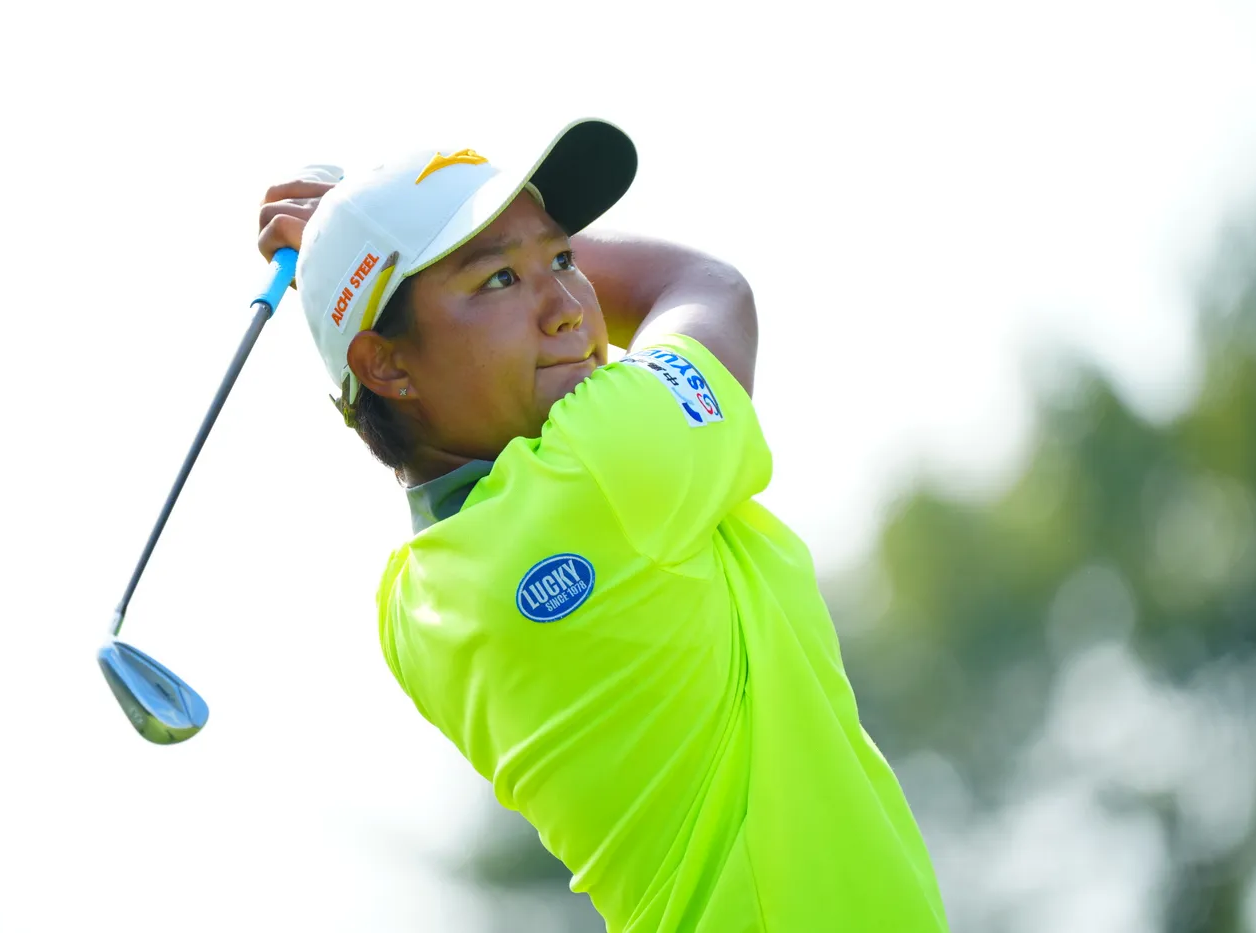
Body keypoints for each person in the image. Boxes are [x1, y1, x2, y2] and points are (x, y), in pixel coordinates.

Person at [257, 118, 950, 932]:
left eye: (562, 260)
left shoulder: (408, 608)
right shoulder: (604, 463)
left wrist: (357, 253)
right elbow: (704, 286)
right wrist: (353, 237)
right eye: (498, 280)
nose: (568, 309)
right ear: (386, 363)